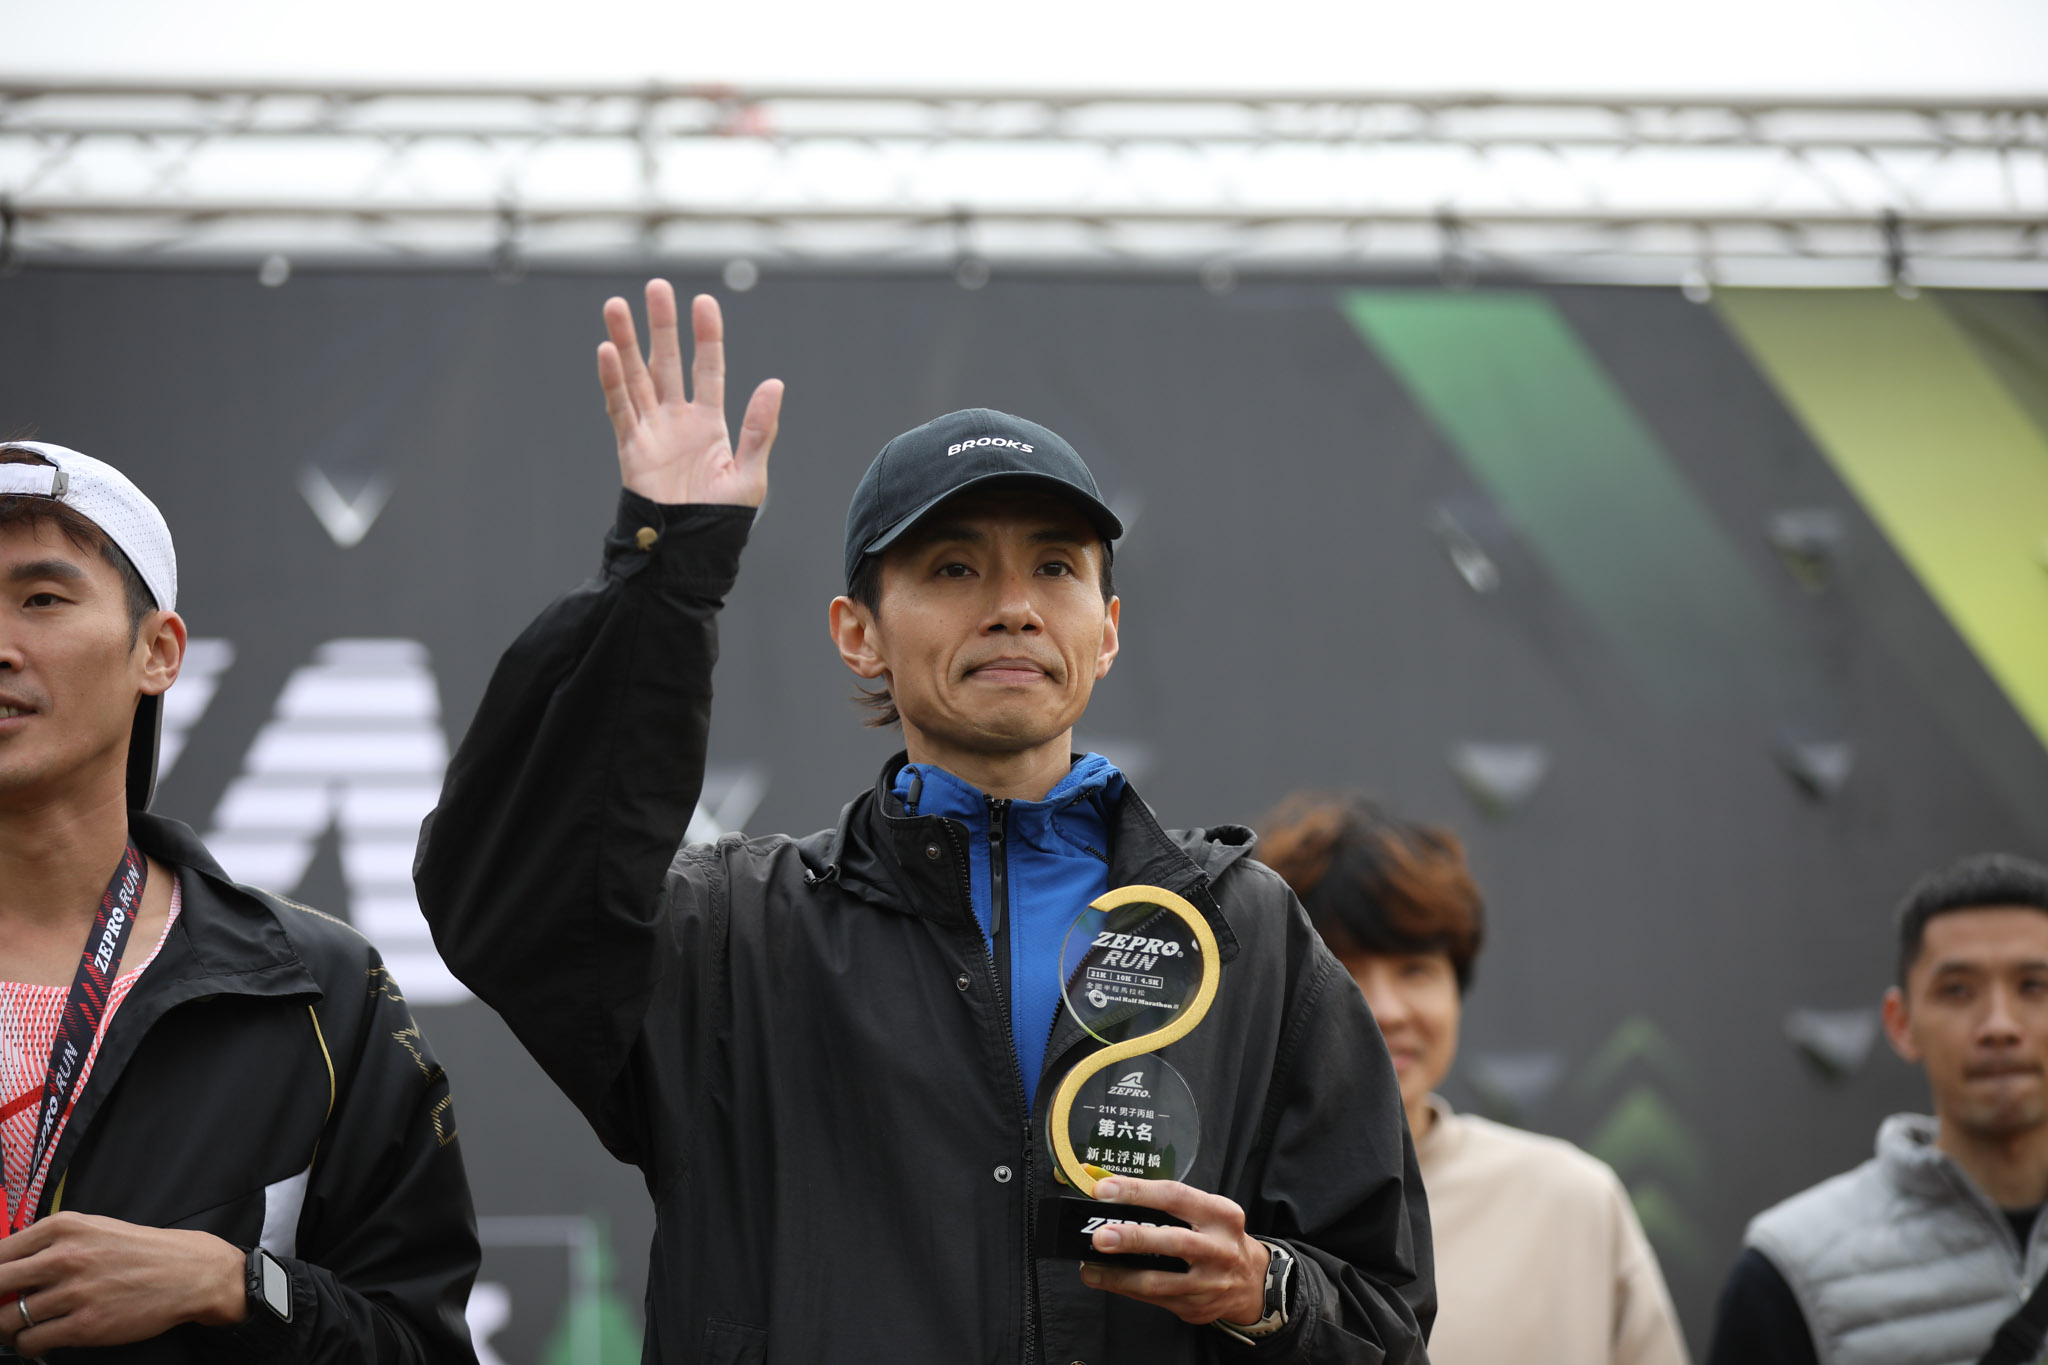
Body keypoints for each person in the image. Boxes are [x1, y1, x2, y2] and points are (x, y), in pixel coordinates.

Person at [413, 280, 1434, 1363]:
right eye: (953, 567)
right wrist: (665, 576)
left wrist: (1265, 1289)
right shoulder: (733, 935)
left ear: (1106, 631)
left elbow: (1383, 1316)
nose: (1013, 606)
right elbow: (508, 901)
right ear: (858, 633)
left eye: (1054, 566)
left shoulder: (1243, 932)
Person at [0, 441, 479, 1361]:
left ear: (157, 652)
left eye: (43, 599)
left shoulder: (319, 990)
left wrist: (239, 1286)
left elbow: (419, 1343)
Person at [1259, 792, 1689, 1365]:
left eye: (1416, 970)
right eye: (1341, 971)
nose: (1386, 1010)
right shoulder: (1222, 1210)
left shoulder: (1573, 1202)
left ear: (1456, 990)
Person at [1706, 853, 2048, 1365]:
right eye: (1957, 990)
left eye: (2034, 986)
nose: (1999, 1025)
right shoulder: (1791, 1271)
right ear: (1901, 1023)